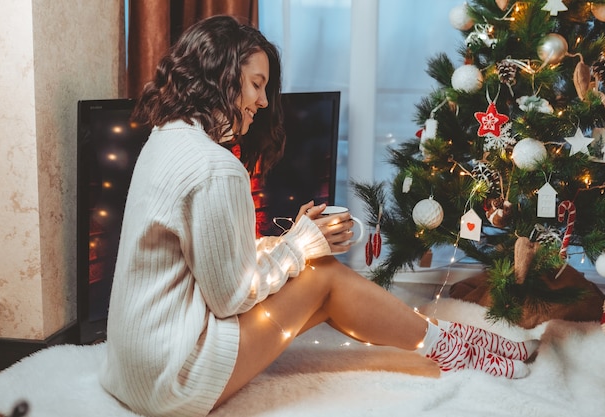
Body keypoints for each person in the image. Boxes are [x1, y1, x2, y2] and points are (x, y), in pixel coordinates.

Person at [99, 15, 539, 417]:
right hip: (172, 378)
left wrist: (292, 240)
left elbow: (206, 265)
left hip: (134, 367)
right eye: (255, 84)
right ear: (220, 75)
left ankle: (450, 343)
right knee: (324, 276)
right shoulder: (216, 167)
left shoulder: (165, 139)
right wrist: (301, 245)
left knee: (317, 273)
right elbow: (230, 297)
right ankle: (453, 346)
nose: (264, 101)